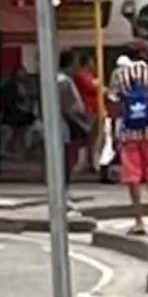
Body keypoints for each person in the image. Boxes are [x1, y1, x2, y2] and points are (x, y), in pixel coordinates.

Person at [108, 42, 148, 235]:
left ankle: (138, 220)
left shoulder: (119, 75)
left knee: (132, 175)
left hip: (128, 132)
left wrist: (115, 131)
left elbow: (114, 105)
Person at [56, 51, 92, 194]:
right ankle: (63, 194)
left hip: (62, 126)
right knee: (66, 162)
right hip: (64, 127)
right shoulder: (64, 82)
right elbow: (70, 108)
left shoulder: (56, 80)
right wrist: (83, 124)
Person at [72, 53, 103, 173]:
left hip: (95, 108)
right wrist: (99, 85)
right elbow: (91, 87)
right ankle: (86, 161)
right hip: (88, 108)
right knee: (88, 136)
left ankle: (92, 160)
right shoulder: (81, 75)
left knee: (94, 137)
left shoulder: (90, 75)